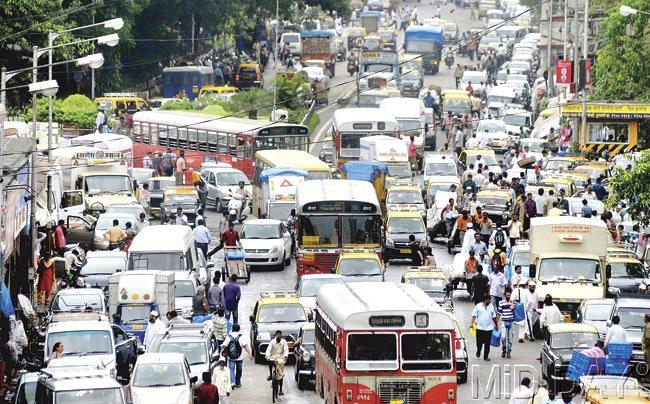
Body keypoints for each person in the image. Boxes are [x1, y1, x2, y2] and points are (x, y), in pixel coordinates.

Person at [222, 323, 252, 388]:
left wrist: (225, 353)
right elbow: (245, 346)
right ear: (239, 329)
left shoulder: (228, 337)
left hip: (231, 357)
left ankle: (232, 383)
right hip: (239, 358)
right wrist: (250, 354)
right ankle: (237, 383)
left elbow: (224, 346)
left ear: (232, 329)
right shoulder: (241, 337)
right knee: (239, 370)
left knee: (231, 370)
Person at [470, 294, 498, 361]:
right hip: (480, 328)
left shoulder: (491, 307)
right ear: (484, 300)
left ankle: (486, 356)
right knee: (479, 342)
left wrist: (496, 325)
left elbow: (494, 317)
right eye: (488, 300)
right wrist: (471, 324)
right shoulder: (478, 306)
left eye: (489, 300)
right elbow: (474, 316)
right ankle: (478, 351)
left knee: (487, 343)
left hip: (489, 328)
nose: (489, 302)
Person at [265, 330, 289, 396]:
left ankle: (280, 389)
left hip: (280, 359)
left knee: (280, 375)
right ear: (276, 335)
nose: (278, 336)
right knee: (269, 362)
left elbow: (286, 350)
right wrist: (267, 356)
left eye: (280, 334)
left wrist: (285, 356)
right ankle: (270, 374)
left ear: (281, 335)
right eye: (277, 334)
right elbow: (268, 350)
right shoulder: (272, 342)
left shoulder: (284, 342)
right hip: (273, 358)